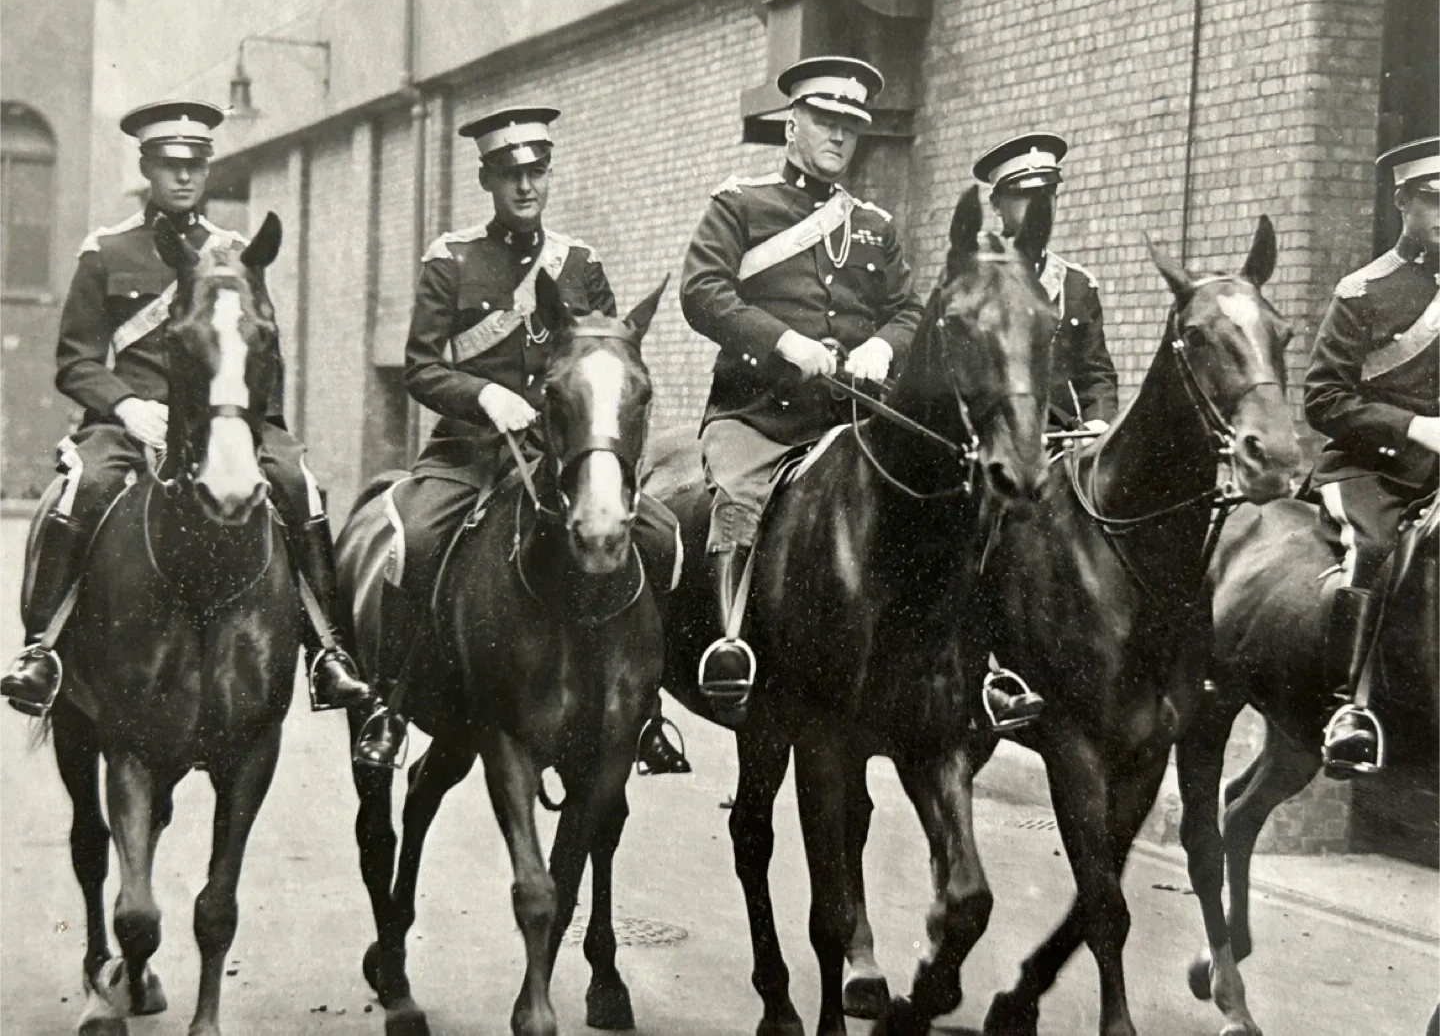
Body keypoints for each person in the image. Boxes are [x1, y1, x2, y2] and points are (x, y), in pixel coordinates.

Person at [673, 55, 1038, 730]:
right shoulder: (741, 205)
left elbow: (907, 310)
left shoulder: (874, 224)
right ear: (792, 123)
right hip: (759, 418)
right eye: (824, 121)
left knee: (949, 507)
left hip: (852, 421)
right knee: (738, 498)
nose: (839, 137)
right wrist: (787, 343)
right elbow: (702, 293)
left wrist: (880, 348)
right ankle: (730, 641)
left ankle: (978, 665)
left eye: (850, 125)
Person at [0, 100, 369, 717]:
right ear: (146, 165)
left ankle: (326, 651)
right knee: (79, 489)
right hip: (131, 425)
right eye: (169, 164)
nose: (183, 177)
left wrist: (260, 428)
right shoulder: (107, 252)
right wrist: (124, 406)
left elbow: (261, 349)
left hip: (227, 420)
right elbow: (76, 360)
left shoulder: (237, 253)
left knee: (300, 484)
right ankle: (43, 649)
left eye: (195, 164)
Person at [352, 106, 683, 772]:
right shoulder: (452, 260)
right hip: (470, 453)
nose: (526, 185)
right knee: (413, 540)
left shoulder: (581, 264)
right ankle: (395, 699)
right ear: (487, 178)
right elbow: (420, 366)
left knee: (661, 534)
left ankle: (644, 708)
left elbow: (608, 354)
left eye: (536, 171)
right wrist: (484, 395)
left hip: (560, 454)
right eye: (510, 174)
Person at [1305, 135, 1440, 775]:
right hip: (1375, 469)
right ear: (1402, 204)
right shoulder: (1362, 292)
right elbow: (1324, 401)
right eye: (1433, 200)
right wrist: (1415, 427)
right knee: (1374, 548)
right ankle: (1347, 708)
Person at [972, 132, 1119, 434]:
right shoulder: (972, 280)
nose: (1040, 207)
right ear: (997, 205)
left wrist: (1096, 424)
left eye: (1048, 194)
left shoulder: (1075, 286)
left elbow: (1096, 375)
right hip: (988, 445)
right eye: (1025, 195)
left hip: (1060, 444)